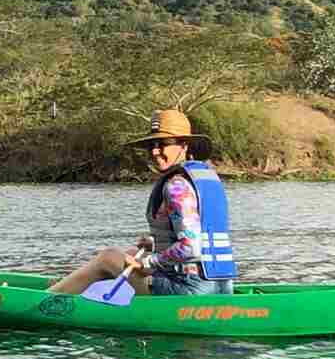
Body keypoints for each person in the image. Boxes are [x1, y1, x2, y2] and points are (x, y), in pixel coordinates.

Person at [49, 109, 236, 296]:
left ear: (184, 145)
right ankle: (72, 286)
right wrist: (156, 244)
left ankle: (48, 298)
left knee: (108, 258)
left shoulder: (176, 186)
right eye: (152, 145)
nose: (155, 151)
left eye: (163, 144)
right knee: (130, 252)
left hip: (189, 289)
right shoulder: (205, 179)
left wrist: (146, 263)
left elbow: (190, 247)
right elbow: (200, 236)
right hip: (222, 286)